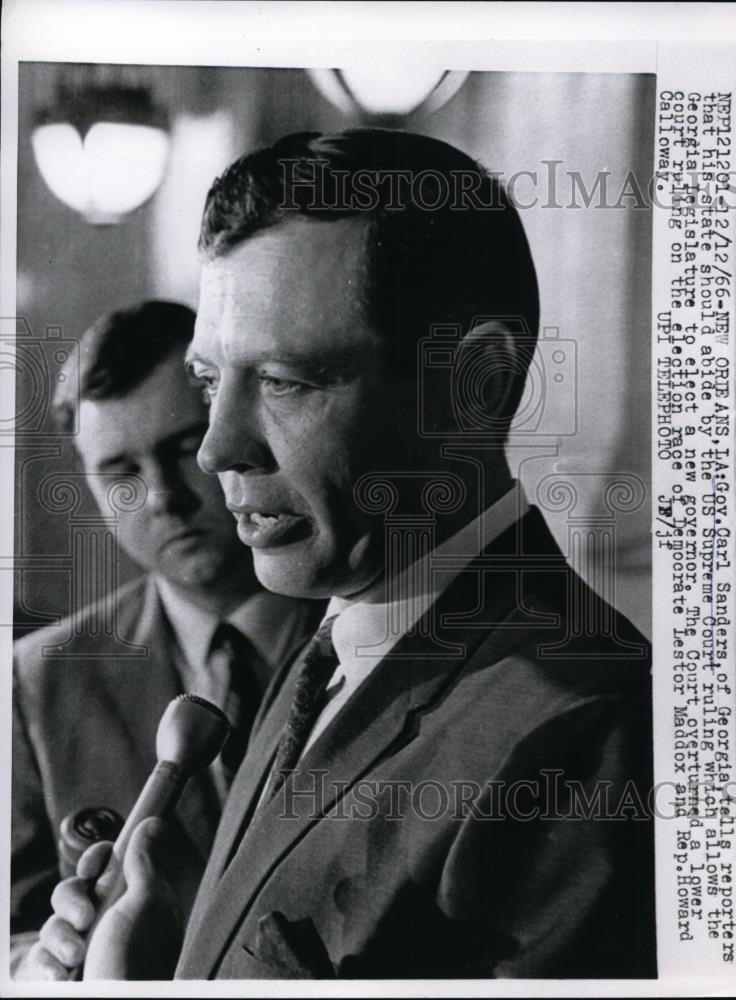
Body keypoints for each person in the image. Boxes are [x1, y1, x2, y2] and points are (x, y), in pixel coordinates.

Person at [36, 131, 656, 980]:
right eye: (213, 381)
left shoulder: (588, 739)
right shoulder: (334, 644)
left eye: (287, 381)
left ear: (477, 382)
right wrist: (192, 943)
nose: (217, 451)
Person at [11, 300, 323, 979]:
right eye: (121, 473)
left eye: (185, 449)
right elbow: (13, 935)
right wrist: (40, 968)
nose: (163, 497)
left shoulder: (359, 636)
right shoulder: (35, 684)